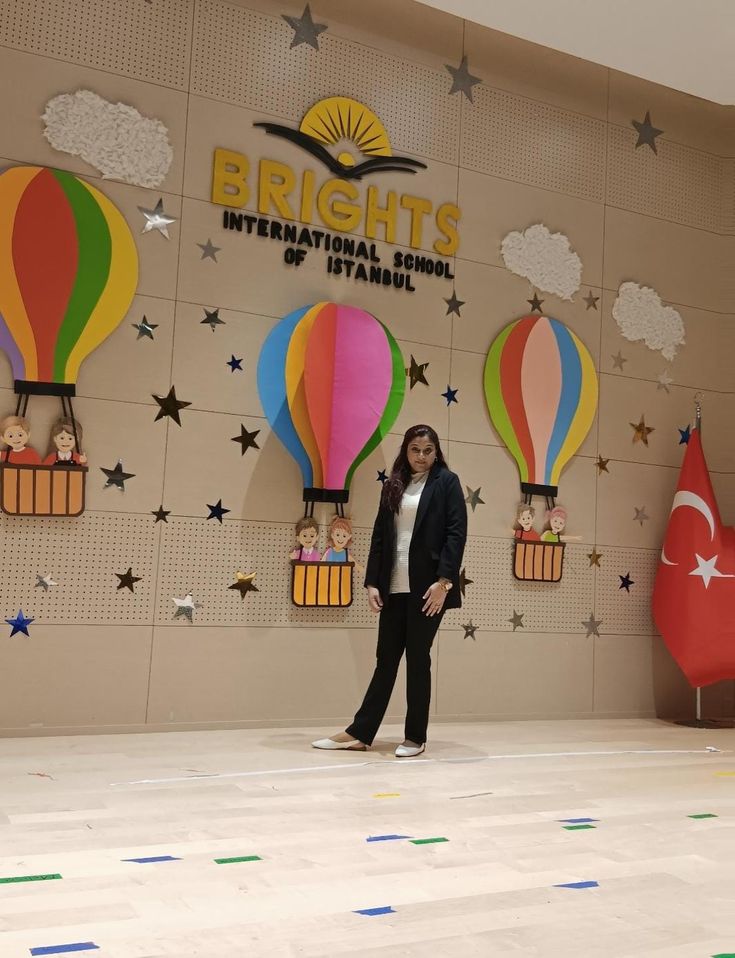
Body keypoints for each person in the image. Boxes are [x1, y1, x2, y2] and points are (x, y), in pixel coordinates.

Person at [312, 424, 467, 757]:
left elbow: (456, 535)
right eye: (415, 449)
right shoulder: (393, 486)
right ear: (406, 451)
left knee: (417, 659)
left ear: (436, 451)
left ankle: (415, 737)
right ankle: (360, 732)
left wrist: (444, 583)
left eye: (428, 450)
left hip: (429, 590)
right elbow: (380, 538)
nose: (422, 456)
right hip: (394, 587)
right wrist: (372, 582)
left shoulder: (447, 483)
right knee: (385, 660)